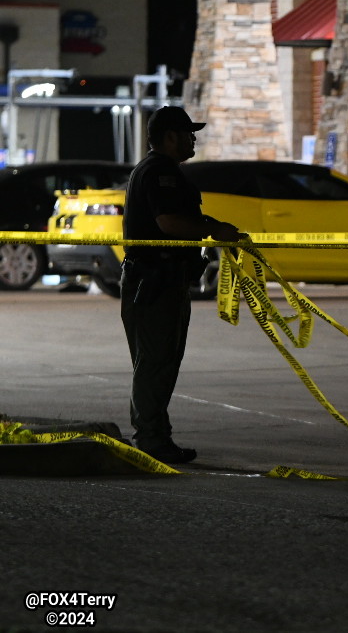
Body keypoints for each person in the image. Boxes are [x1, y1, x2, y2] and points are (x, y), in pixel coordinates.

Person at [120, 105, 243, 464]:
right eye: (189, 133)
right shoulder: (160, 172)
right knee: (156, 363)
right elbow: (170, 223)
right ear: (170, 136)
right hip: (155, 280)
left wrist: (209, 224)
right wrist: (214, 230)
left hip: (157, 279)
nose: (193, 139)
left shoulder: (158, 170)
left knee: (156, 362)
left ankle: (154, 435)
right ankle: (151, 440)